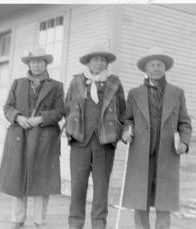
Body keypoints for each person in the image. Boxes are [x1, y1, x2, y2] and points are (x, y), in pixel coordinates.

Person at [121, 47, 193, 229]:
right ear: (145, 70)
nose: (156, 68)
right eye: (152, 65)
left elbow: (185, 123)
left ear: (165, 68)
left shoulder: (177, 93)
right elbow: (127, 119)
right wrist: (126, 131)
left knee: (164, 203)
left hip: (167, 155)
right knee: (140, 201)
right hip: (140, 155)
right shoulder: (134, 94)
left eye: (159, 65)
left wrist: (184, 142)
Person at [0, 46, 64, 229]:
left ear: (46, 63)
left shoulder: (56, 86)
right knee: (18, 177)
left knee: (42, 180)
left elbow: (59, 112)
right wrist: (18, 117)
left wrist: (40, 119)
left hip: (45, 138)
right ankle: (17, 219)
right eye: (32, 61)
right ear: (29, 64)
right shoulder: (18, 83)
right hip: (20, 136)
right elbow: (7, 107)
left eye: (39, 61)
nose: (36, 65)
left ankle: (40, 221)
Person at [64, 43, 126, 229]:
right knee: (78, 187)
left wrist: (120, 131)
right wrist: (71, 129)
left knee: (101, 189)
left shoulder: (114, 82)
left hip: (104, 143)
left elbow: (123, 111)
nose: (99, 63)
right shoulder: (76, 82)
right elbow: (67, 107)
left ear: (107, 63)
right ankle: (75, 223)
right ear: (88, 62)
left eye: (103, 60)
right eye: (95, 59)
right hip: (79, 141)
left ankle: (99, 224)